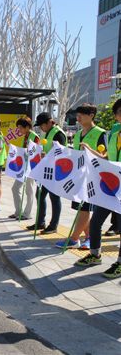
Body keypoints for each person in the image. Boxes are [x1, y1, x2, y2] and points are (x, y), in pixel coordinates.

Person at [75, 99, 121, 278]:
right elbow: (105, 156)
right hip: (110, 185)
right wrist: (89, 150)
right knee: (95, 222)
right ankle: (95, 255)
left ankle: (119, 263)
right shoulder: (114, 132)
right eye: (118, 112)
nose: (119, 115)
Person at [55, 104, 106, 249]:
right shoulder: (77, 135)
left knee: (84, 209)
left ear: (91, 115)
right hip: (79, 177)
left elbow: (105, 156)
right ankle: (89, 237)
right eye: (77, 115)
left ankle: (74, 238)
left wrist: (90, 151)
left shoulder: (100, 133)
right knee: (80, 209)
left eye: (81, 115)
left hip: (93, 179)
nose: (78, 118)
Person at [27, 112, 67, 234]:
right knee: (40, 194)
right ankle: (40, 222)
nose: (41, 128)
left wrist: (46, 155)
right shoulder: (49, 132)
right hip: (46, 170)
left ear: (48, 122)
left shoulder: (58, 134)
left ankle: (53, 225)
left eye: (42, 125)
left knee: (54, 198)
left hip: (55, 171)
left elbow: (61, 153)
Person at [9, 116, 39, 220]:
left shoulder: (34, 137)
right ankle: (18, 212)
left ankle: (27, 214)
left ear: (27, 127)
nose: (19, 130)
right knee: (15, 188)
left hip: (31, 168)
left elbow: (36, 152)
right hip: (23, 167)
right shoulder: (24, 137)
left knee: (29, 190)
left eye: (20, 128)